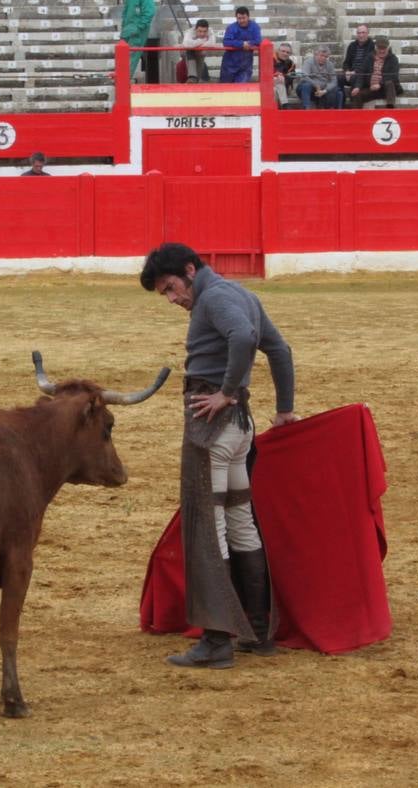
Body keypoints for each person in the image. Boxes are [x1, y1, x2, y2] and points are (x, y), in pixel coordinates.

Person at [139, 243, 298, 669]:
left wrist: (225, 393)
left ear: (190, 270)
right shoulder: (242, 294)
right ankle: (259, 630)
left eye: (171, 288)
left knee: (208, 528)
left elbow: (244, 338)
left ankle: (216, 639)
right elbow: (279, 350)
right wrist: (283, 408)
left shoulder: (214, 298)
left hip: (212, 426)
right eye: (165, 295)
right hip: (239, 429)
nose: (173, 299)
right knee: (240, 522)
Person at [119, 0, 156, 80]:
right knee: (122, 57)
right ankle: (121, 78)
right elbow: (126, 11)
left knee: (132, 57)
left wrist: (139, 28)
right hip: (127, 30)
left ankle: (124, 81)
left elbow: (149, 13)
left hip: (137, 31)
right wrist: (124, 26)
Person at [349, 36, 402, 109]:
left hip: (385, 89)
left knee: (389, 83)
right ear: (375, 48)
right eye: (380, 49)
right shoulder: (369, 57)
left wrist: (379, 84)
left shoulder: (393, 59)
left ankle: (390, 109)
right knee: (357, 94)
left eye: (384, 49)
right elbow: (362, 73)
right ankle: (356, 117)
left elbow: (394, 76)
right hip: (371, 88)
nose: (382, 51)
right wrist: (357, 87)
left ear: (388, 48)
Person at [219, 6, 261, 84]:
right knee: (225, 88)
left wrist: (249, 44)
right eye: (239, 18)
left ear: (248, 17)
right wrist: (242, 44)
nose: (241, 20)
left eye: (243, 18)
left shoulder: (255, 27)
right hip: (229, 64)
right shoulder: (231, 27)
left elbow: (258, 40)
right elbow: (226, 42)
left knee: (241, 88)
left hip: (245, 65)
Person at [341, 24, 374, 93]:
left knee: (354, 78)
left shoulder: (372, 46)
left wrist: (355, 72)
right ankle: (341, 101)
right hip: (351, 73)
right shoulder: (352, 45)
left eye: (363, 33)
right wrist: (347, 71)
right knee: (337, 79)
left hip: (364, 75)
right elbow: (346, 62)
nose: (361, 35)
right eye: (359, 33)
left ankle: (353, 100)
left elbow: (368, 65)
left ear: (367, 33)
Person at [180, 19, 213, 84]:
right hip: (190, 53)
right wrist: (203, 41)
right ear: (195, 29)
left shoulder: (210, 31)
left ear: (207, 30)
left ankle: (194, 78)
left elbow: (211, 43)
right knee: (189, 50)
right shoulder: (189, 32)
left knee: (195, 78)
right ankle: (193, 77)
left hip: (201, 53)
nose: (202, 34)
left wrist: (194, 44)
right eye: (200, 31)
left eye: (204, 31)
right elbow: (186, 44)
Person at [272, 41, 297, 107]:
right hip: (269, 85)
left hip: (282, 85)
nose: (285, 54)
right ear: (278, 51)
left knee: (279, 85)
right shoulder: (270, 59)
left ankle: (283, 106)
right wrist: (276, 77)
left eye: (287, 52)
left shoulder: (291, 63)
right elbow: (265, 75)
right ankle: (284, 106)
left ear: (290, 54)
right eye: (283, 51)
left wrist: (284, 78)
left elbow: (292, 77)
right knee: (275, 88)